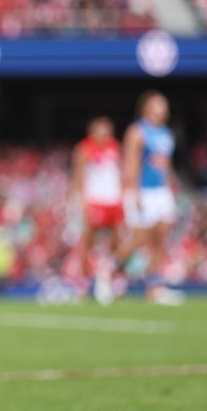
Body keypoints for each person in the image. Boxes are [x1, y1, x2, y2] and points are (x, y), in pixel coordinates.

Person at [113, 91, 186, 305]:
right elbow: (131, 161)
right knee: (139, 239)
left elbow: (165, 164)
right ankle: (111, 272)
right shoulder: (137, 131)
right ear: (146, 108)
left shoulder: (166, 134)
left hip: (161, 191)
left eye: (164, 106)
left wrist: (172, 184)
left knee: (160, 241)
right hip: (143, 190)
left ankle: (154, 288)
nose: (162, 111)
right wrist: (132, 190)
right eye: (157, 106)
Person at [70, 116, 124, 304]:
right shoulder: (84, 149)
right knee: (88, 243)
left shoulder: (115, 147)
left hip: (114, 200)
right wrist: (81, 199)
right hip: (95, 200)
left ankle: (110, 277)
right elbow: (79, 175)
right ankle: (84, 283)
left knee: (116, 242)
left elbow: (120, 172)